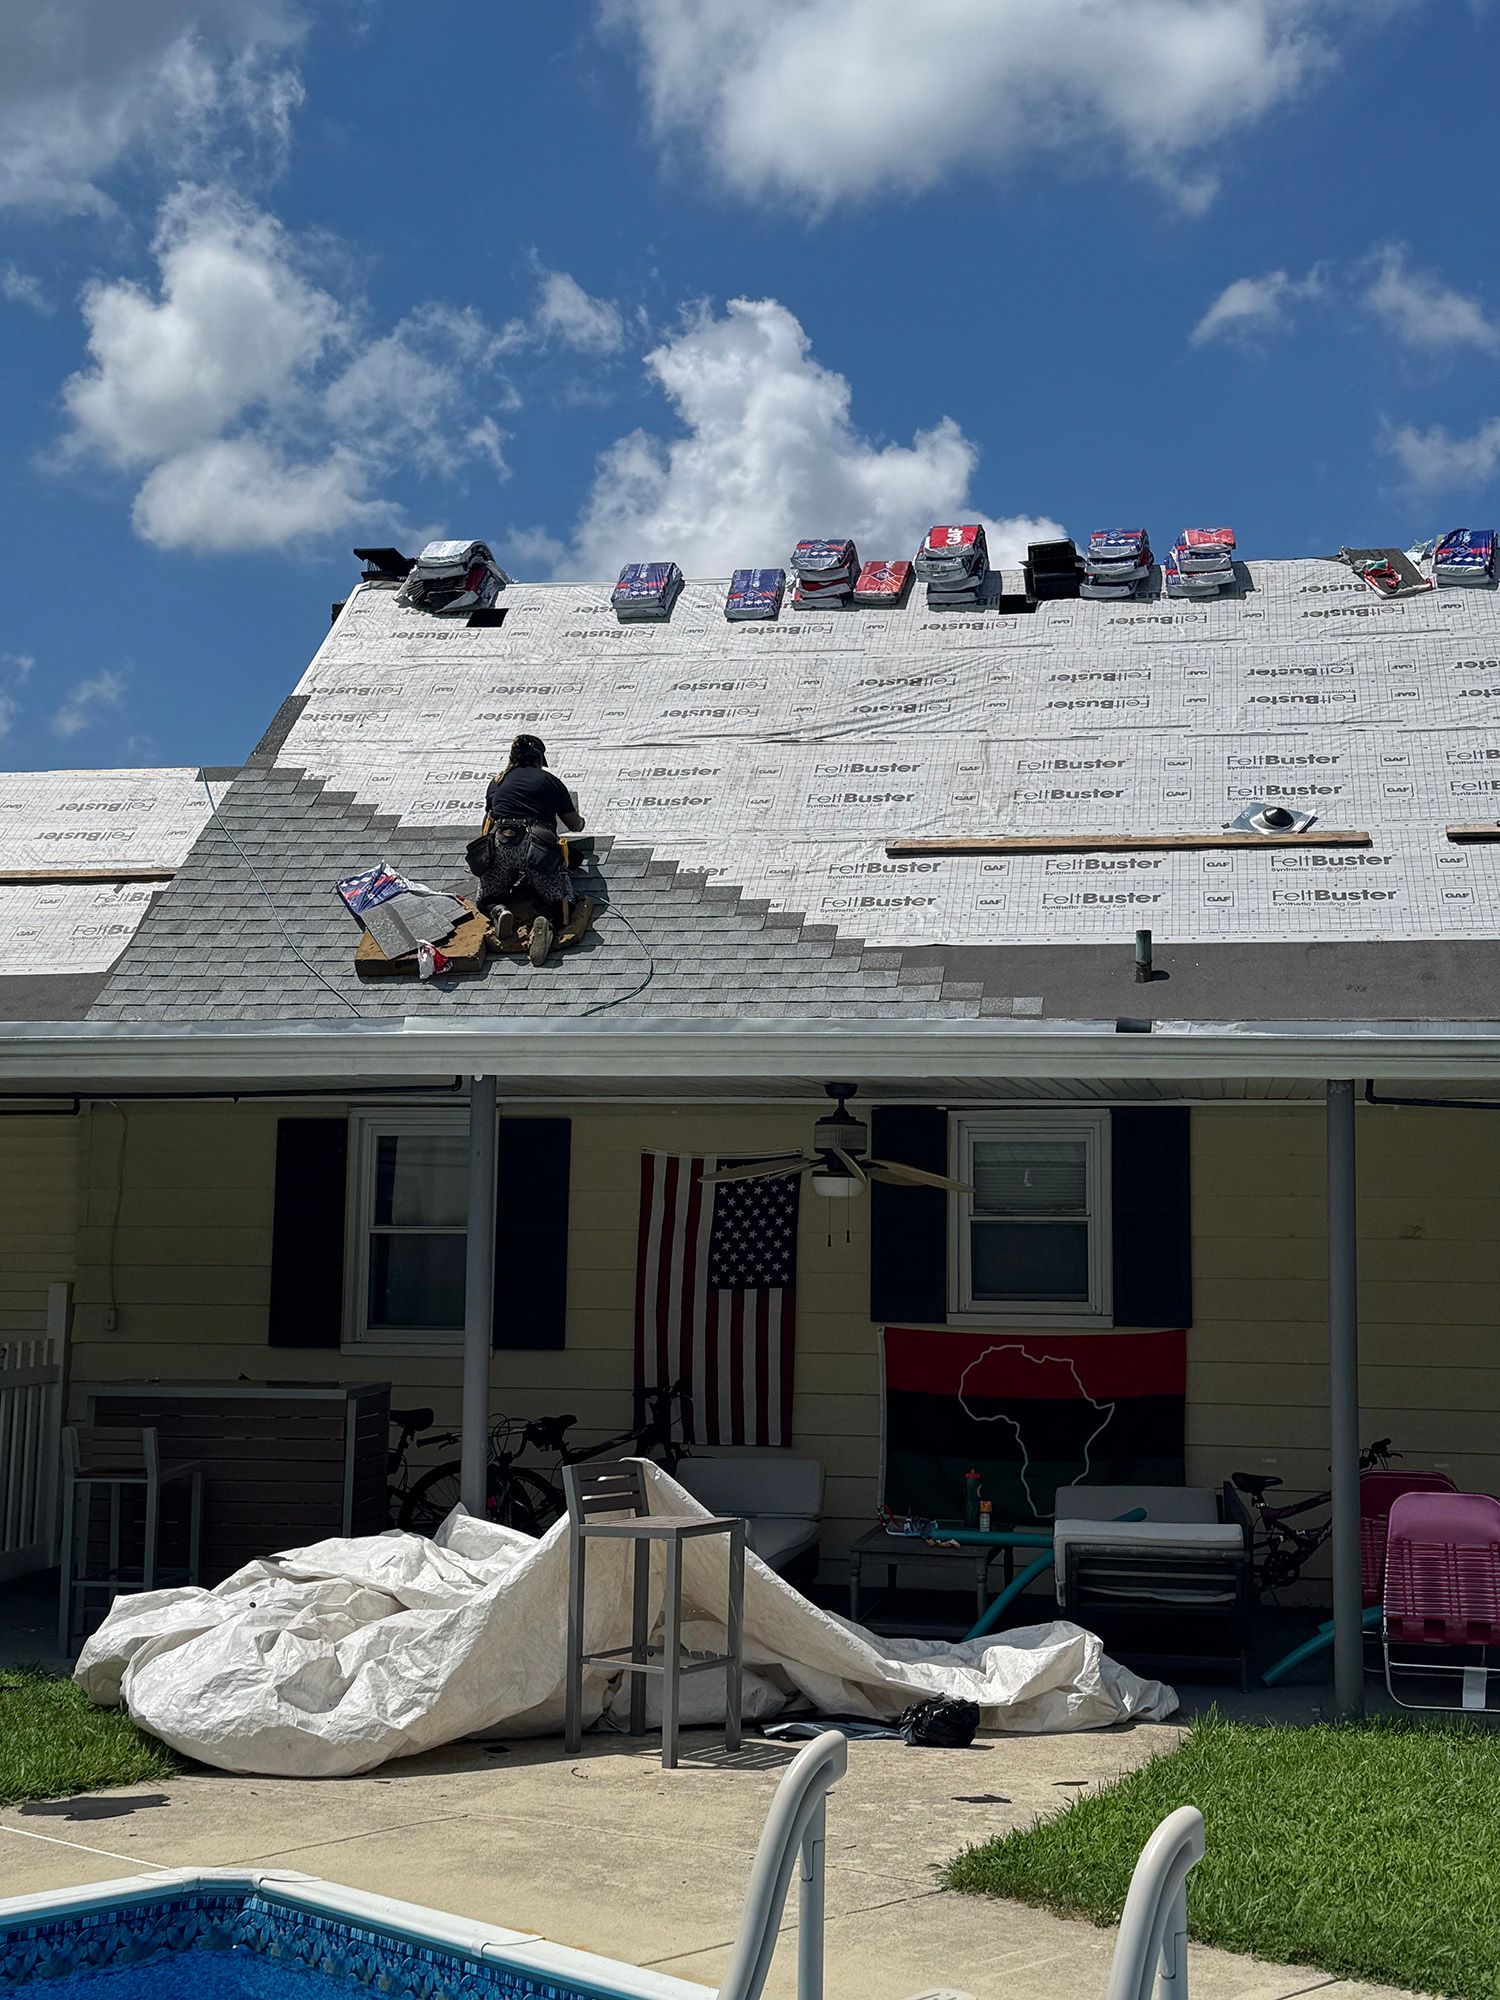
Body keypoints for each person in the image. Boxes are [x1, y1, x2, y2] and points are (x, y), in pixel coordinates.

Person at [472, 734, 586, 964]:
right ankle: (546, 923)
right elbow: (574, 825)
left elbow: (487, 825)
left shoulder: (497, 782)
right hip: (537, 849)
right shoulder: (549, 781)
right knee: (561, 901)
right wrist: (581, 821)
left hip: (501, 844)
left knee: (485, 899)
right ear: (538, 760)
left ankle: (499, 911)